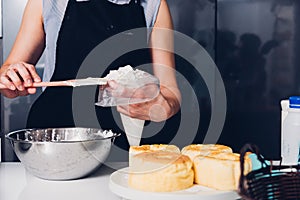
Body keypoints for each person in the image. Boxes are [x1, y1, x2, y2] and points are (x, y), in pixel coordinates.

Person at [0, 0, 181, 148]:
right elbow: (8, 68)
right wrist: (9, 77)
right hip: (56, 137)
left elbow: (170, 91)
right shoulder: (47, 2)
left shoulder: (153, 5)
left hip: (126, 140)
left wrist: (164, 107)